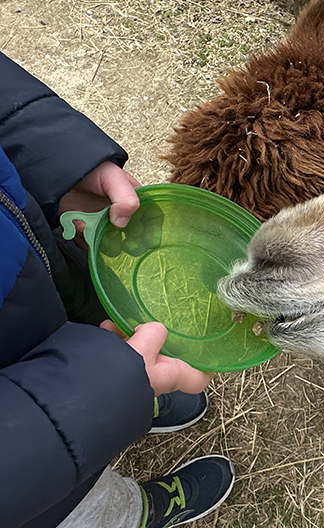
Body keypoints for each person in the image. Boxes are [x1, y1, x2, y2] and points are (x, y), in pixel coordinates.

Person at [0, 50, 235, 528]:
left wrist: (57, 165)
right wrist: (97, 392)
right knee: (71, 503)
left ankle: (136, 400)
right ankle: (130, 512)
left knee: (66, 310)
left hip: (24, 268)